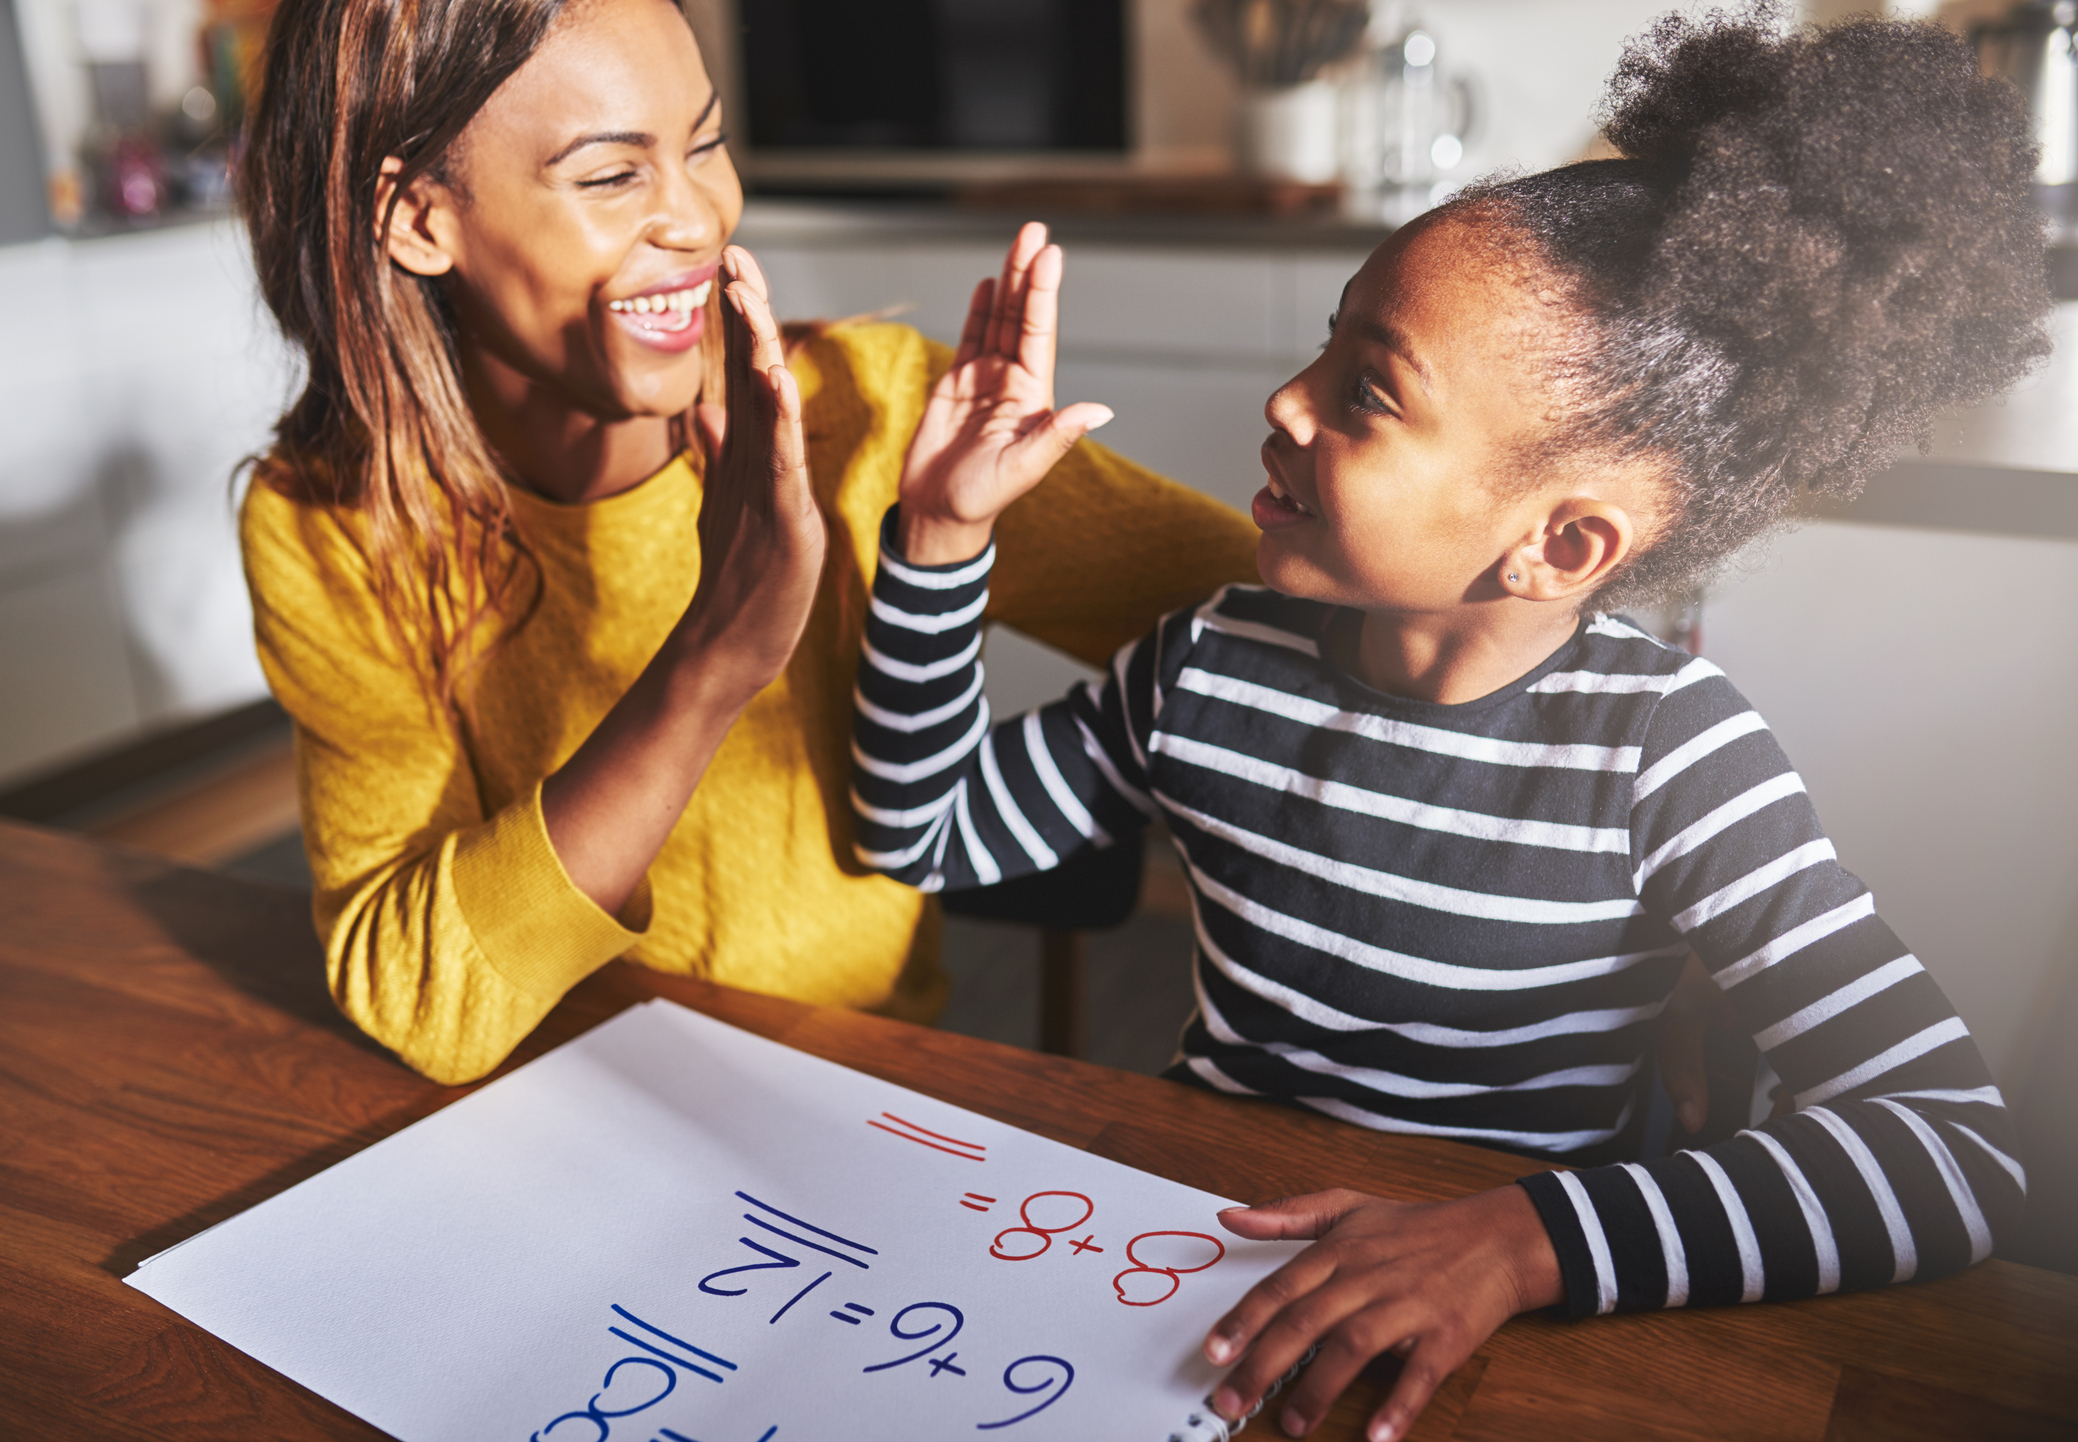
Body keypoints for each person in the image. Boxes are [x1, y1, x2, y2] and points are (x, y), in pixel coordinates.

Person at [849, 8, 2048, 1439]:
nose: (1285, 401)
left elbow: (1948, 1154)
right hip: (1203, 1249)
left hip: (1509, 1310)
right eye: (1324, 342)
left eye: (1368, 390)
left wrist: (1515, 1241)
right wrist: (936, 539)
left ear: (1558, 544)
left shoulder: (1664, 754)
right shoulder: (1208, 664)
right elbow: (922, 832)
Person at [232, 0, 1267, 1085]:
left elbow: (1327, 620)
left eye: (707, 144)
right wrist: (712, 660)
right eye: (610, 175)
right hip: (543, 1099)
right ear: (416, 219)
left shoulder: (879, 415)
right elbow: (421, 998)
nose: (698, 217)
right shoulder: (332, 523)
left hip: (861, 1091)